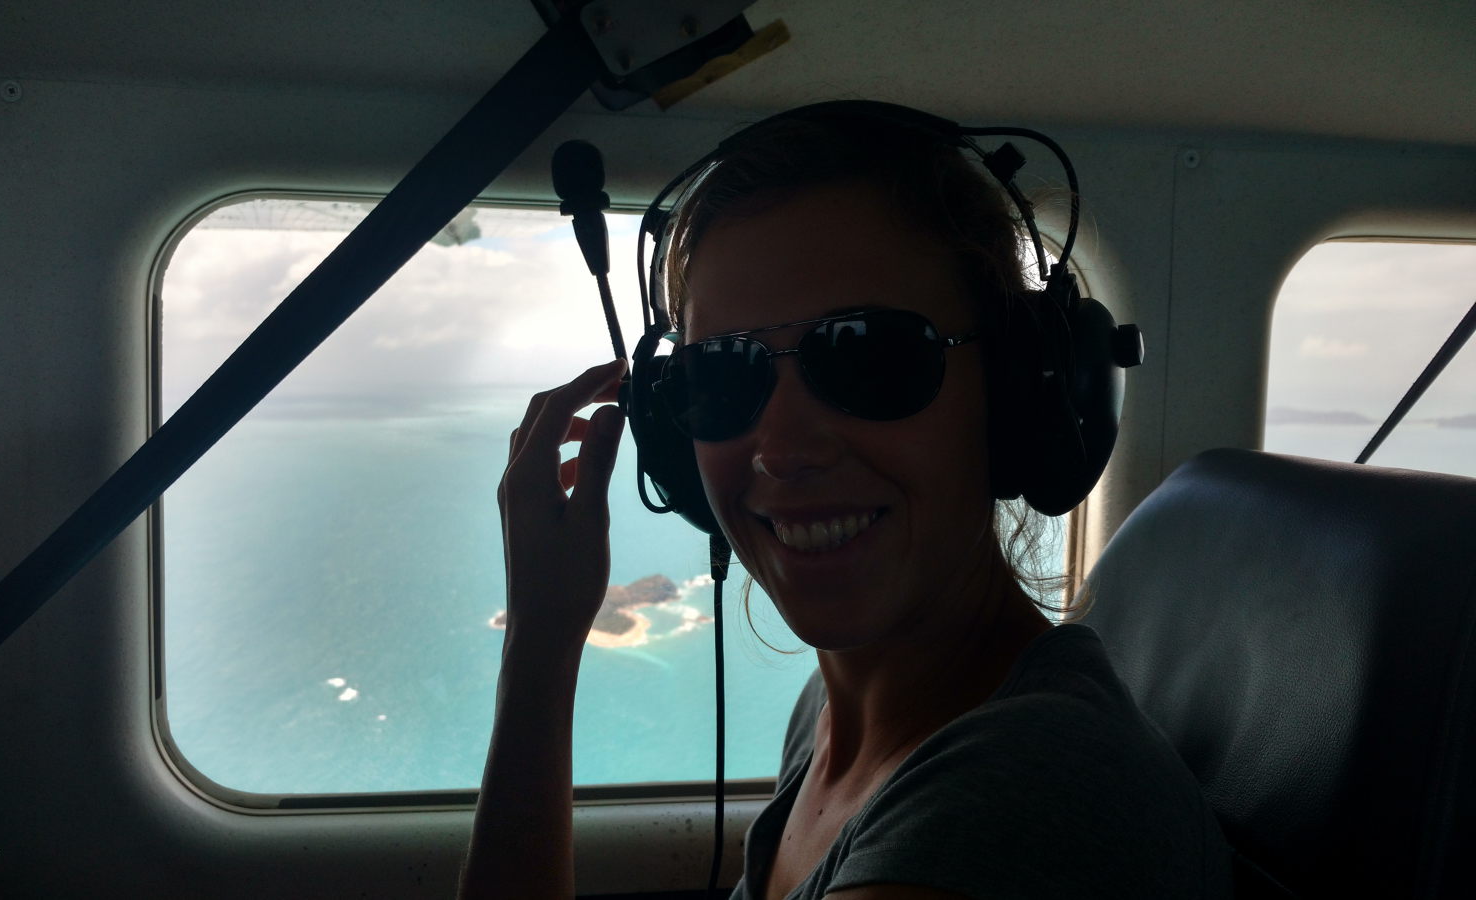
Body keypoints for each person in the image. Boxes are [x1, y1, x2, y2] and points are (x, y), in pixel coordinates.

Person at [458, 106, 1233, 900]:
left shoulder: (1029, 794)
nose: (783, 449)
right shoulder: (836, 713)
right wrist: (545, 629)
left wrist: (537, 657)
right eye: (721, 374)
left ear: (1016, 394)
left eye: (869, 356)